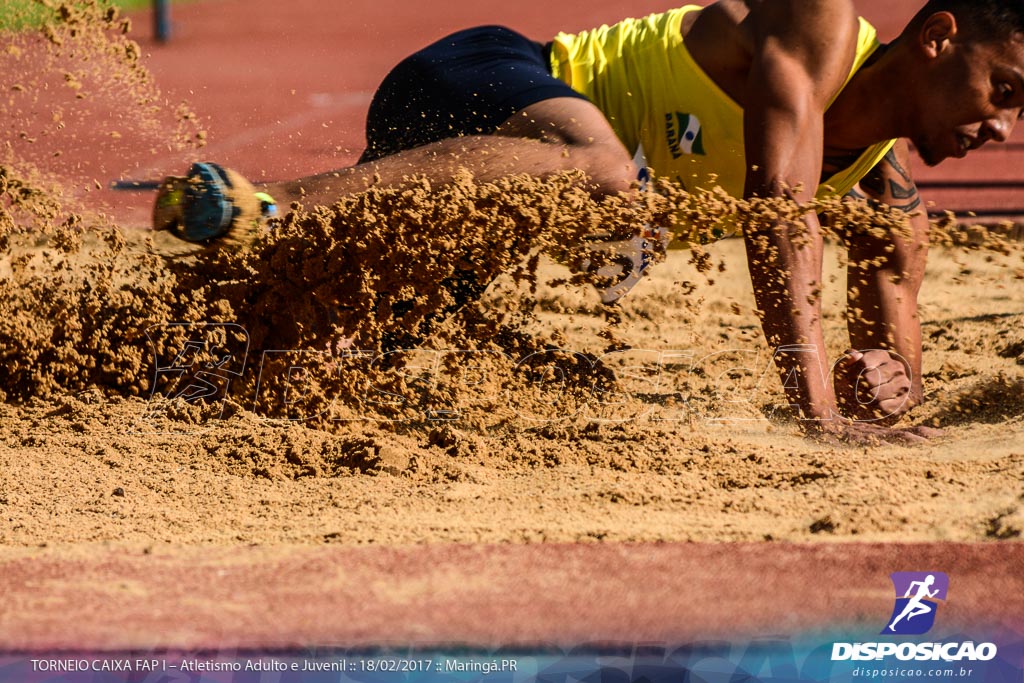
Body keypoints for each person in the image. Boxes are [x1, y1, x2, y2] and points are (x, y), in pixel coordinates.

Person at [153, 0, 1024, 443]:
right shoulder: (820, 25)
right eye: (1004, 90)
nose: (1002, 129)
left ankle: (148, 337)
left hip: (480, 195)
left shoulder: (888, 198)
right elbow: (779, 215)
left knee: (294, 367)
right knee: (615, 184)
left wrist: (891, 382)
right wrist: (818, 410)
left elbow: (897, 335)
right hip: (475, 82)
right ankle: (267, 207)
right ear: (940, 36)